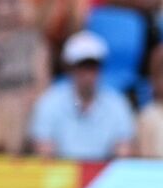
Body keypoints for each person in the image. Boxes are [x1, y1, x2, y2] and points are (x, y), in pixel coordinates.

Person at [28, 31, 136, 160]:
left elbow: (123, 151)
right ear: (69, 68)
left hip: (104, 176)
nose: (88, 74)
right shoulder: (49, 102)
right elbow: (43, 150)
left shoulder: (117, 103)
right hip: (60, 175)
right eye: (82, 66)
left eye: (93, 66)